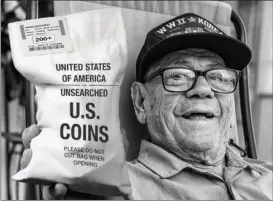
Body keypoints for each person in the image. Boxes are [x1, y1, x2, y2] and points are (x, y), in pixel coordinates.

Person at [20, 12, 272, 200]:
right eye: (178, 75)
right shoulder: (114, 188)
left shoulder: (267, 174)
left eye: (218, 77)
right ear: (141, 101)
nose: (204, 90)